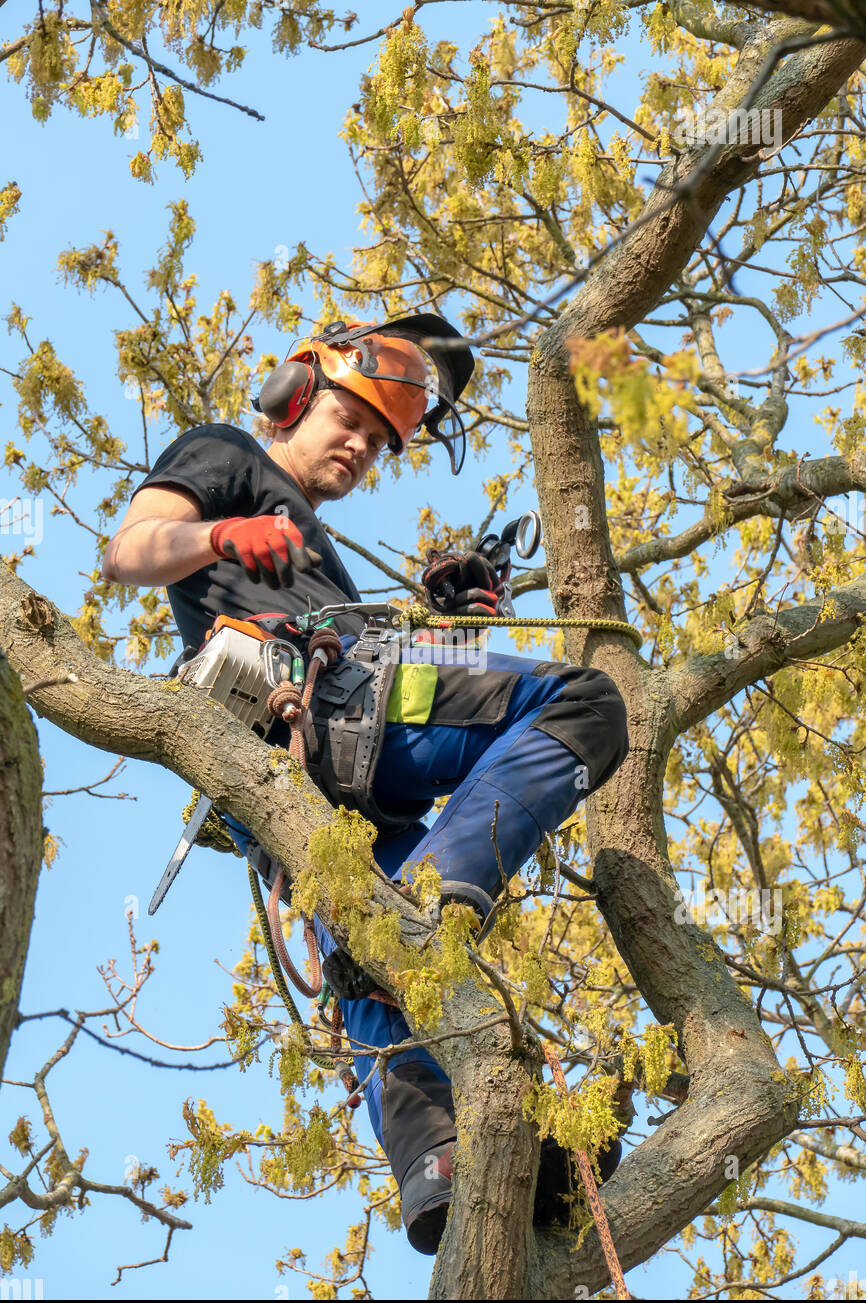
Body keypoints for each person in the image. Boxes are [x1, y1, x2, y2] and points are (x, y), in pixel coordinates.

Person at [103, 316, 630, 1254]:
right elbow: (131, 550)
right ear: (293, 395)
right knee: (585, 704)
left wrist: (451, 621)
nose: (361, 447)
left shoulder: (320, 556)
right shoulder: (226, 455)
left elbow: (377, 646)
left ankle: (445, 1161)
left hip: (323, 777)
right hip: (327, 709)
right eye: (351, 419)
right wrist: (223, 531)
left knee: (388, 961)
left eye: (381, 441)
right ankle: (444, 890)